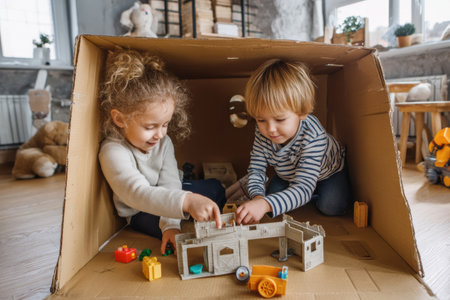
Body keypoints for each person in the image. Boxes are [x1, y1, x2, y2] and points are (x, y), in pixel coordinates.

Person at [98, 49, 222, 255]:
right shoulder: (112, 151)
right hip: (140, 210)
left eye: (165, 124)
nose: (160, 134)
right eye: (150, 127)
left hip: (169, 197)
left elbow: (170, 183)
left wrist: (172, 222)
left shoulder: (164, 142)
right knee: (198, 201)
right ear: (120, 119)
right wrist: (185, 206)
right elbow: (138, 194)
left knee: (215, 188)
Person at [235, 59, 352, 225]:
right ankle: (298, 192)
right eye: (260, 120)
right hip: (288, 173)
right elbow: (256, 170)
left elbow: (303, 189)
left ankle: (318, 190)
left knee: (331, 206)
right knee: (272, 204)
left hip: (329, 172)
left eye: (280, 119)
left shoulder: (313, 136)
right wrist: (258, 198)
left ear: (302, 113)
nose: (270, 129)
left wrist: (265, 204)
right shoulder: (263, 133)